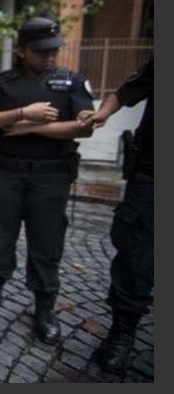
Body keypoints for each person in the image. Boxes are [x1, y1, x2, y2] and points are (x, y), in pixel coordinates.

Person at [0, 16, 94, 346]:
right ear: (22, 50)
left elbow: (86, 127)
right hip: (6, 173)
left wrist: (30, 127)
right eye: (39, 51)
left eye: (53, 50)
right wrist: (23, 113)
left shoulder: (71, 81)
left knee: (47, 243)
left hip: (51, 175)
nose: (49, 56)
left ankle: (44, 308)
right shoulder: (5, 82)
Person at [80, 57, 153, 374]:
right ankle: (121, 334)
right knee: (136, 258)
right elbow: (126, 92)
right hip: (153, 177)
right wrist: (103, 113)